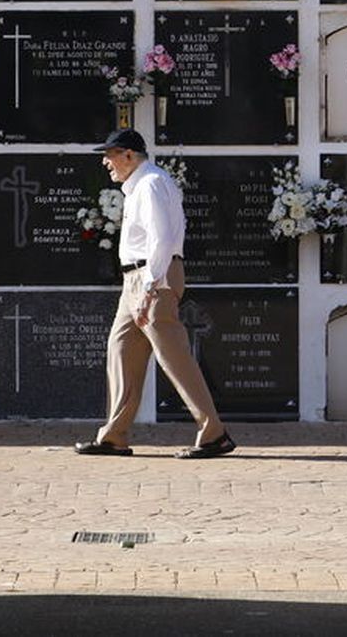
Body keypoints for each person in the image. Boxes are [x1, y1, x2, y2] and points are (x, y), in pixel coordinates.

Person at [73, 129, 235, 460]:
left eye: (111, 155)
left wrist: (149, 287)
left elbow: (160, 239)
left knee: (174, 357)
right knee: (121, 350)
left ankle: (214, 433)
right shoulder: (141, 186)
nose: (106, 163)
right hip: (135, 279)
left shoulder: (150, 184)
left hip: (152, 277)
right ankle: (114, 435)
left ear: (130, 156)